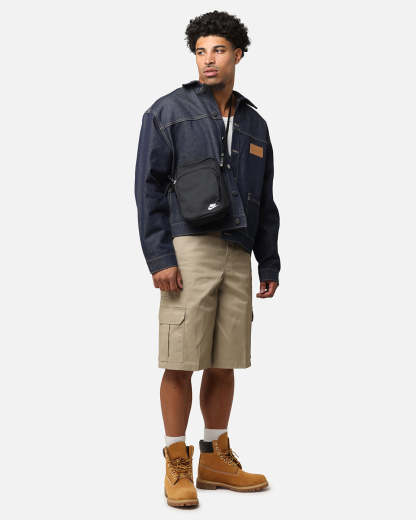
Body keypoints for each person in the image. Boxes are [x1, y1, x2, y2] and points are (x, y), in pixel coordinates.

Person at [134, 10, 280, 507]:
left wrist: (269, 261)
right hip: (188, 248)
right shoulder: (168, 111)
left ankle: (215, 458)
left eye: (218, 50)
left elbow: (265, 198)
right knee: (181, 360)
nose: (208, 60)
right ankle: (176, 462)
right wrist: (160, 256)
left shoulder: (255, 123)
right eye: (200, 51)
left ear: (238, 54)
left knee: (225, 361)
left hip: (238, 251)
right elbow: (148, 188)